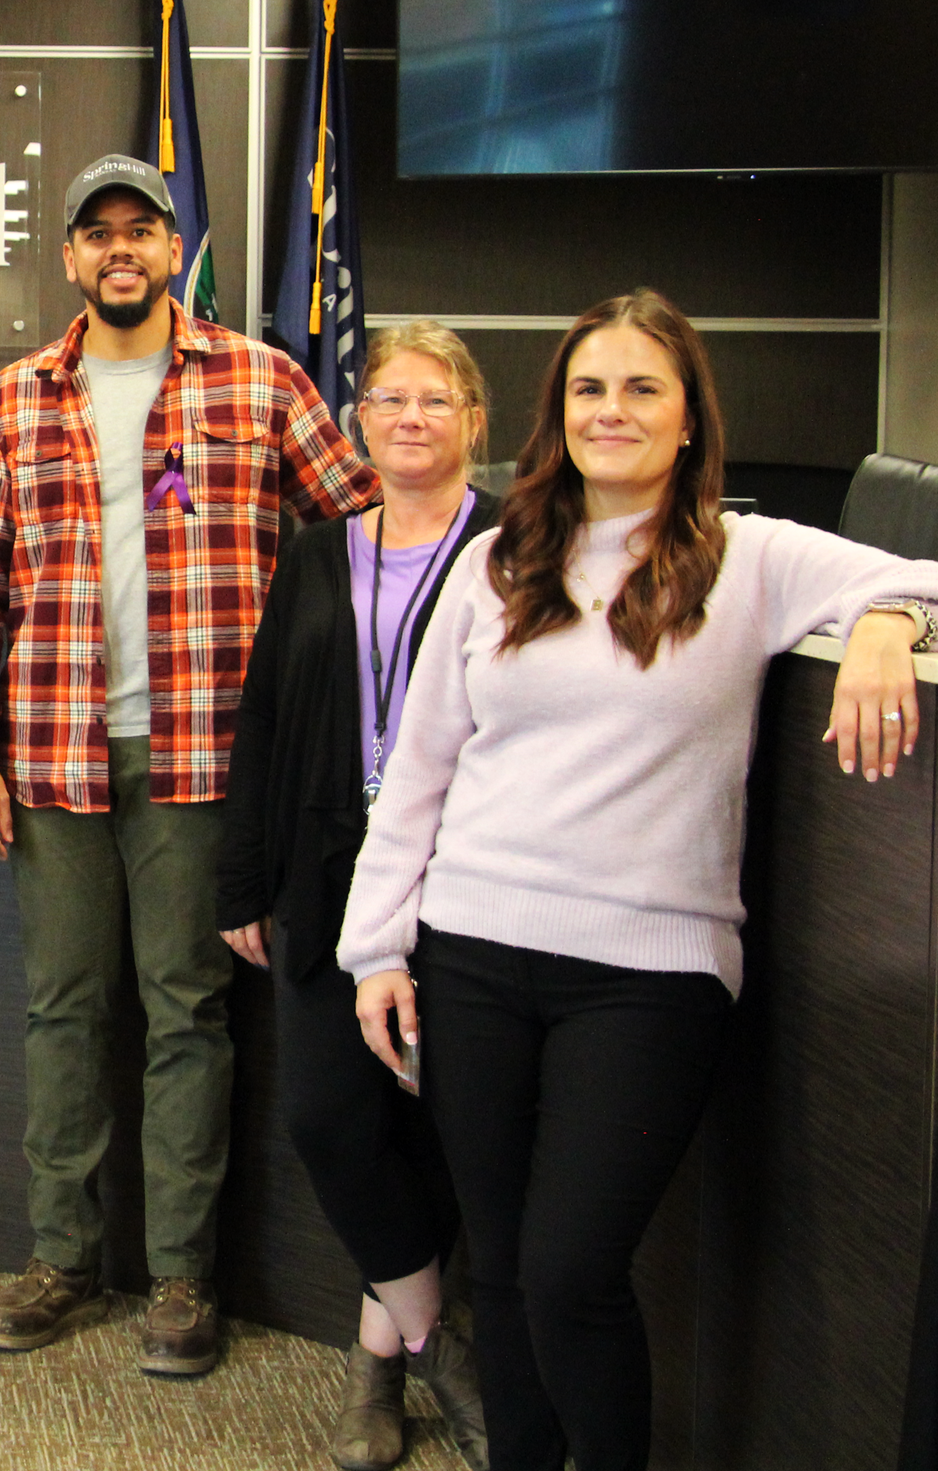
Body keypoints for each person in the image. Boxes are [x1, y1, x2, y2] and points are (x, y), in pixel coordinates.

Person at [342, 289, 938, 1471]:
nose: (609, 410)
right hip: (468, 957)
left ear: (686, 418)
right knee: (503, 1271)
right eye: (587, 388)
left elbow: (923, 569)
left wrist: (881, 620)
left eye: (639, 388)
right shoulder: (494, 563)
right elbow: (417, 771)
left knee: (572, 1273)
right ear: (554, 414)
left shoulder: (751, 556)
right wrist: (375, 949)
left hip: (648, 977)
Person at [0, 154, 380, 1376]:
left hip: (202, 762)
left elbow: (361, 529)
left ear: (174, 249)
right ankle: (59, 1258)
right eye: (97, 233)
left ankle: (183, 1280)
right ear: (70, 258)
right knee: (61, 1011)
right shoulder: (13, 399)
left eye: (142, 228)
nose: (119, 248)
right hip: (50, 762)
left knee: (186, 1014)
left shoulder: (259, 379)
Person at [214, 321, 496, 1470]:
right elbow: (267, 718)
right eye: (387, 400)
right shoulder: (316, 552)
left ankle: (375, 1359)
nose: (410, 419)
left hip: (470, 873)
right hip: (323, 868)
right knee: (329, 1116)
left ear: (475, 419)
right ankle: (440, 1342)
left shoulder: (517, 548)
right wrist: (243, 874)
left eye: (435, 400)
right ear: (357, 421)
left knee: (436, 1125)